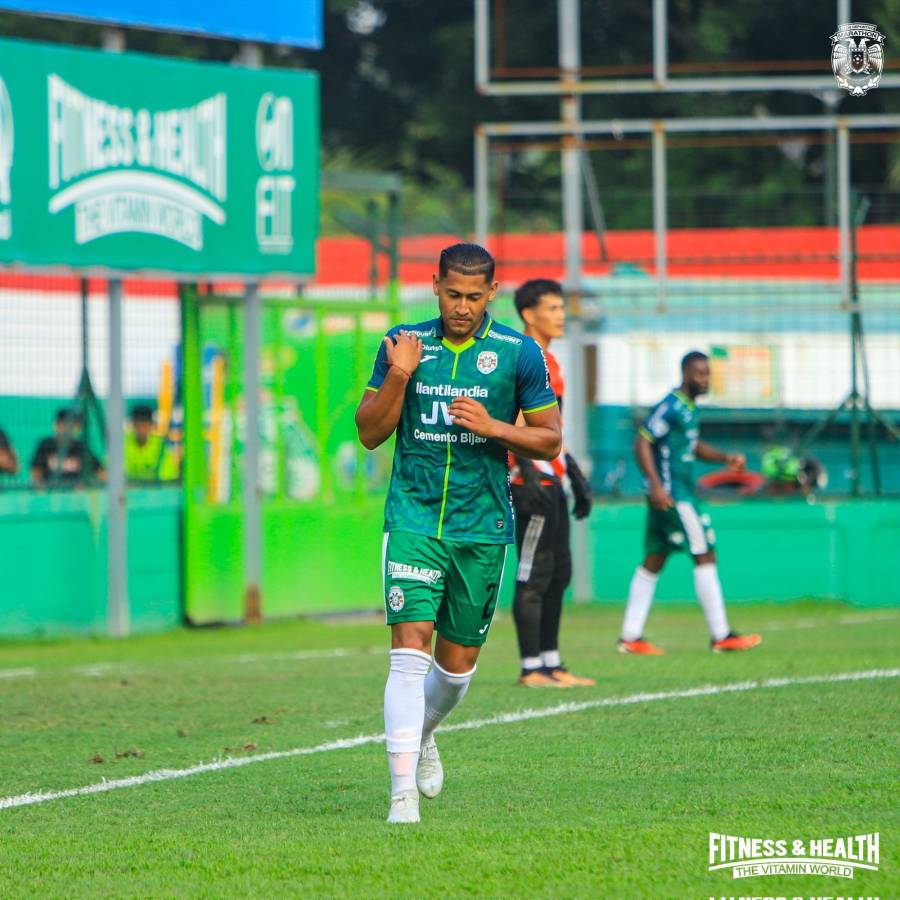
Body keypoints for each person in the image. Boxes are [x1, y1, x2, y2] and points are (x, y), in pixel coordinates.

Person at [355, 243, 562, 824]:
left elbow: (550, 439)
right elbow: (370, 432)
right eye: (452, 294)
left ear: (492, 293)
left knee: (456, 670)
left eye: (474, 296)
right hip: (414, 518)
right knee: (408, 654)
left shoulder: (519, 354)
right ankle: (401, 798)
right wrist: (399, 374)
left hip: (483, 525)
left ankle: (422, 732)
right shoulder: (402, 343)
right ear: (436, 287)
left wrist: (495, 426)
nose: (462, 307)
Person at [618, 351, 761, 654]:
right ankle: (721, 635)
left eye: (707, 373)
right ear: (685, 374)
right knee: (705, 552)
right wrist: (656, 486)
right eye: (699, 373)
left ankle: (630, 636)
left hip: (673, 493)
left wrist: (724, 458)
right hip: (674, 496)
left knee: (654, 558)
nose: (704, 379)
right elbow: (642, 441)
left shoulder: (689, 408)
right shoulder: (671, 406)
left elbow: (691, 446)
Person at [509, 279, 594, 688]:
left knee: (559, 572)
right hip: (531, 481)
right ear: (529, 314)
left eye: (563, 308)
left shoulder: (550, 361)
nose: (562, 315)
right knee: (532, 573)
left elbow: (550, 429)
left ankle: (551, 662)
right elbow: (516, 424)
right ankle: (530, 668)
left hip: (551, 475)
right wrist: (524, 475)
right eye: (553, 308)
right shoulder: (524, 357)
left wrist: (571, 470)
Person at [30, 408, 104, 487]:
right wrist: (43, 491)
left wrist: (87, 485)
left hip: (76, 496)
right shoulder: (45, 445)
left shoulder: (81, 448)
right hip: (51, 494)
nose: (68, 429)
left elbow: (101, 474)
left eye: (74, 425)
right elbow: (36, 474)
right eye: (64, 425)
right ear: (56, 425)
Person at [125, 405, 179, 483]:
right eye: (138, 426)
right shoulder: (123, 444)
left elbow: (169, 478)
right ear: (133, 425)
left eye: (144, 426)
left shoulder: (161, 446)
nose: (141, 430)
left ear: (151, 426)